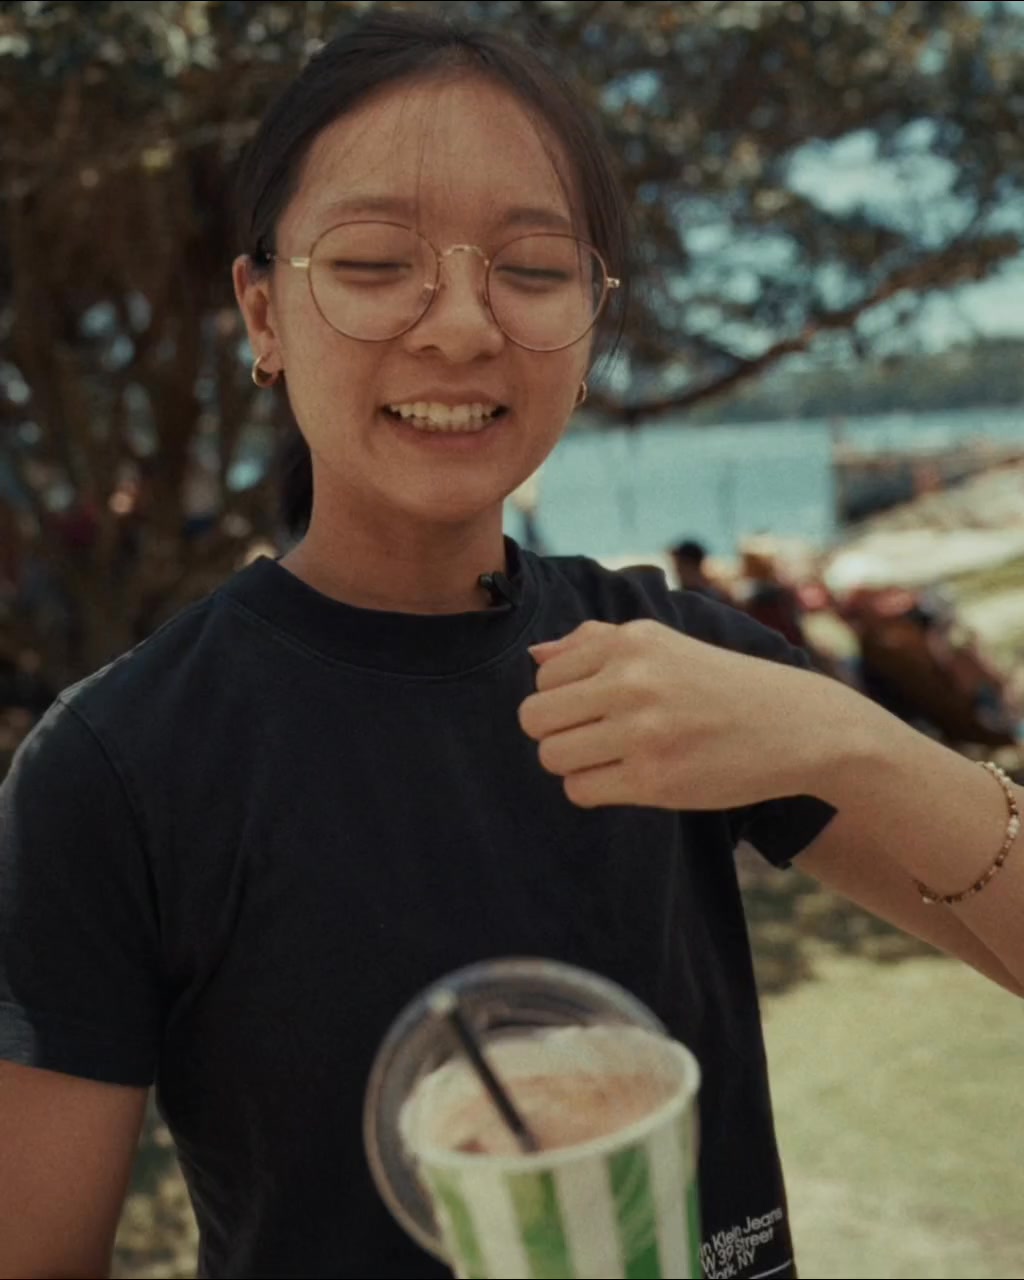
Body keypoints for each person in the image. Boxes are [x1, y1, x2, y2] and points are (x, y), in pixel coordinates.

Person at [1, 13, 1021, 1280]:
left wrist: (845, 735)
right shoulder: (120, 763)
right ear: (262, 310)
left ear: (590, 322)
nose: (462, 324)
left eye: (533, 270)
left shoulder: (681, 663)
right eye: (376, 261)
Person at [668, 537, 733, 605]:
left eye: (679, 564)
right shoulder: (679, 597)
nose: (676, 570)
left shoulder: (711, 600)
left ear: (691, 565)